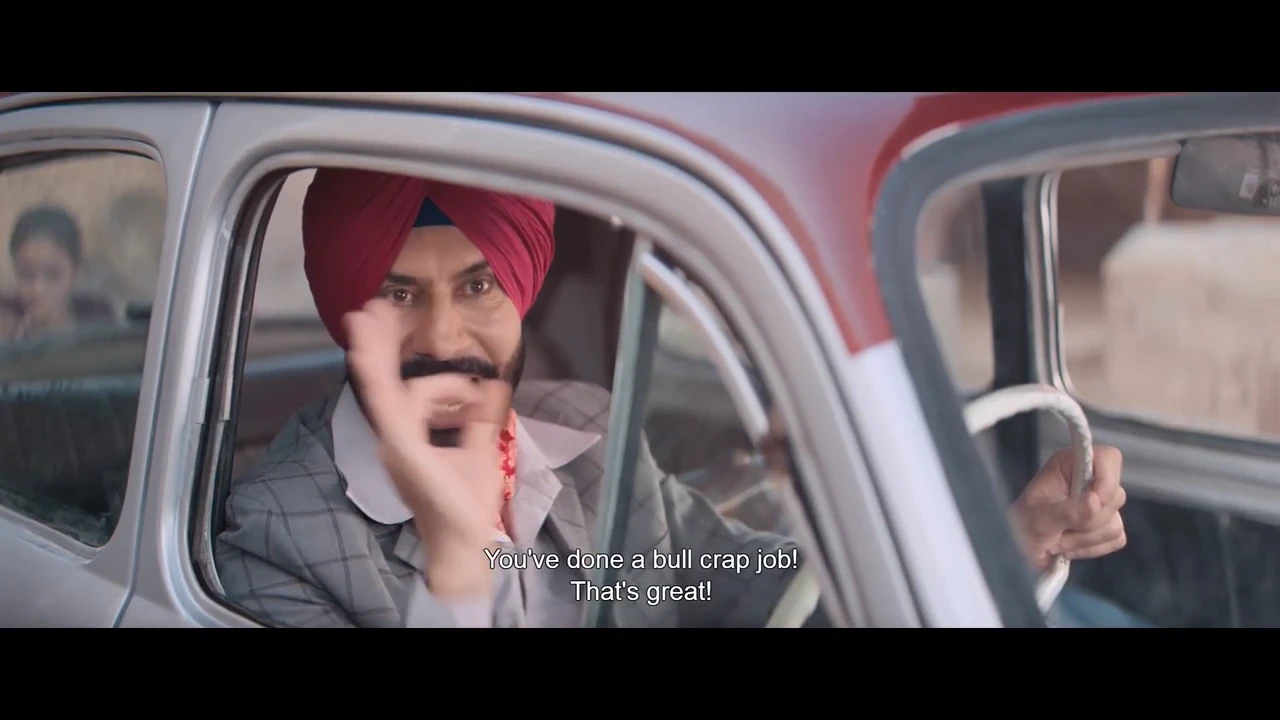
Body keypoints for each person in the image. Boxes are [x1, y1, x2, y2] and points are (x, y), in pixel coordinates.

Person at [214, 168, 1129, 628]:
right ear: (348, 310)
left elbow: (734, 585)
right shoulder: (273, 546)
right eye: (399, 294)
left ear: (521, 293)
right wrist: (456, 562)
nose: (445, 338)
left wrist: (1004, 540)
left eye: (479, 286)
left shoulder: (584, 434)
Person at [2, 204, 113, 340]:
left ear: (75, 273)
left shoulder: (98, 320)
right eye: (27, 275)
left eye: (52, 276)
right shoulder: (7, 321)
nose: (37, 289)